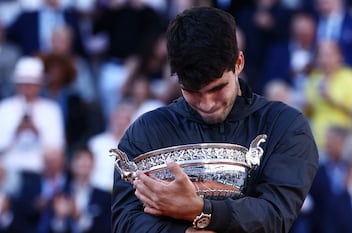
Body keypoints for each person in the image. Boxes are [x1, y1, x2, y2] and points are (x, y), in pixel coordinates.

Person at [111, 7, 319, 233]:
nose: (207, 103)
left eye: (218, 88)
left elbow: (274, 216)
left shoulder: (284, 125)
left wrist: (198, 209)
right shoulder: (146, 131)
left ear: (239, 63)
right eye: (192, 91)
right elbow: (125, 222)